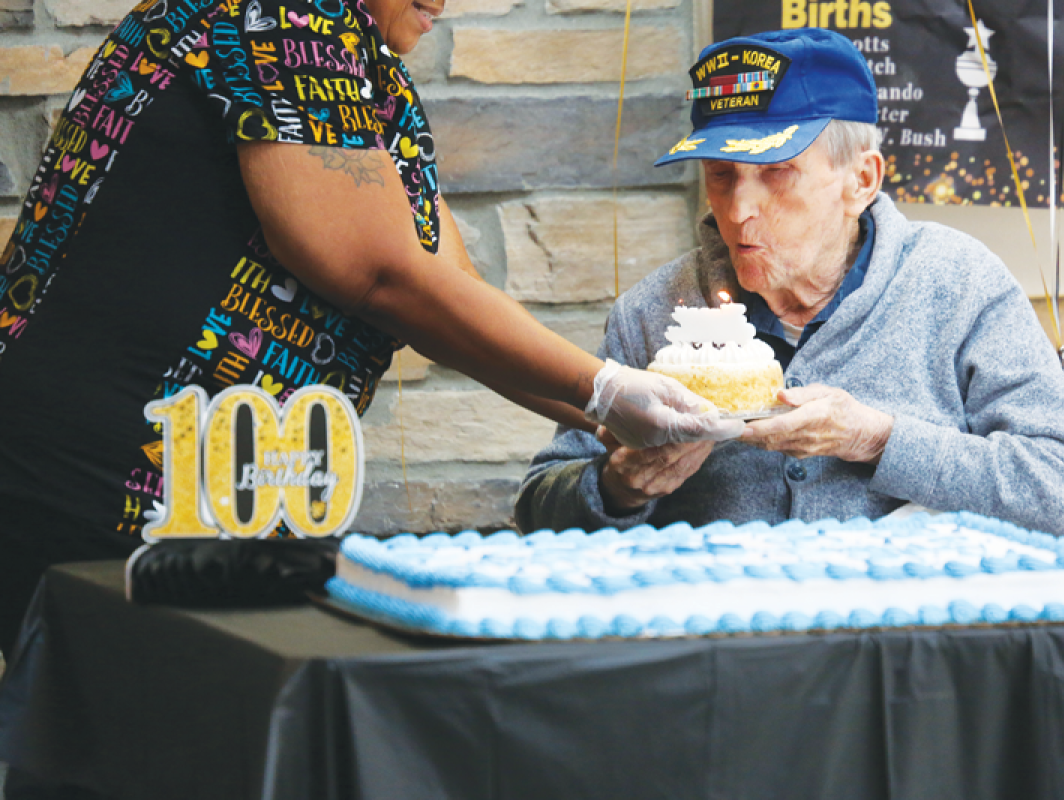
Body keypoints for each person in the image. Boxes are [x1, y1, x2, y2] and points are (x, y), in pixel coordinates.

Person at [0, 0, 742, 689]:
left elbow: (448, 295)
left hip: (210, 497)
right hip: (112, 486)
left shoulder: (365, 69)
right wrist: (607, 390)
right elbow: (380, 273)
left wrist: (617, 418)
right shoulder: (284, 21)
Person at [516, 28, 1064, 542]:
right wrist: (615, 488)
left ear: (860, 180)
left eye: (777, 173)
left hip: (909, 651)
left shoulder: (958, 286)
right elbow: (538, 505)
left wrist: (879, 440)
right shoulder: (653, 313)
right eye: (721, 175)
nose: (738, 210)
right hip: (725, 654)